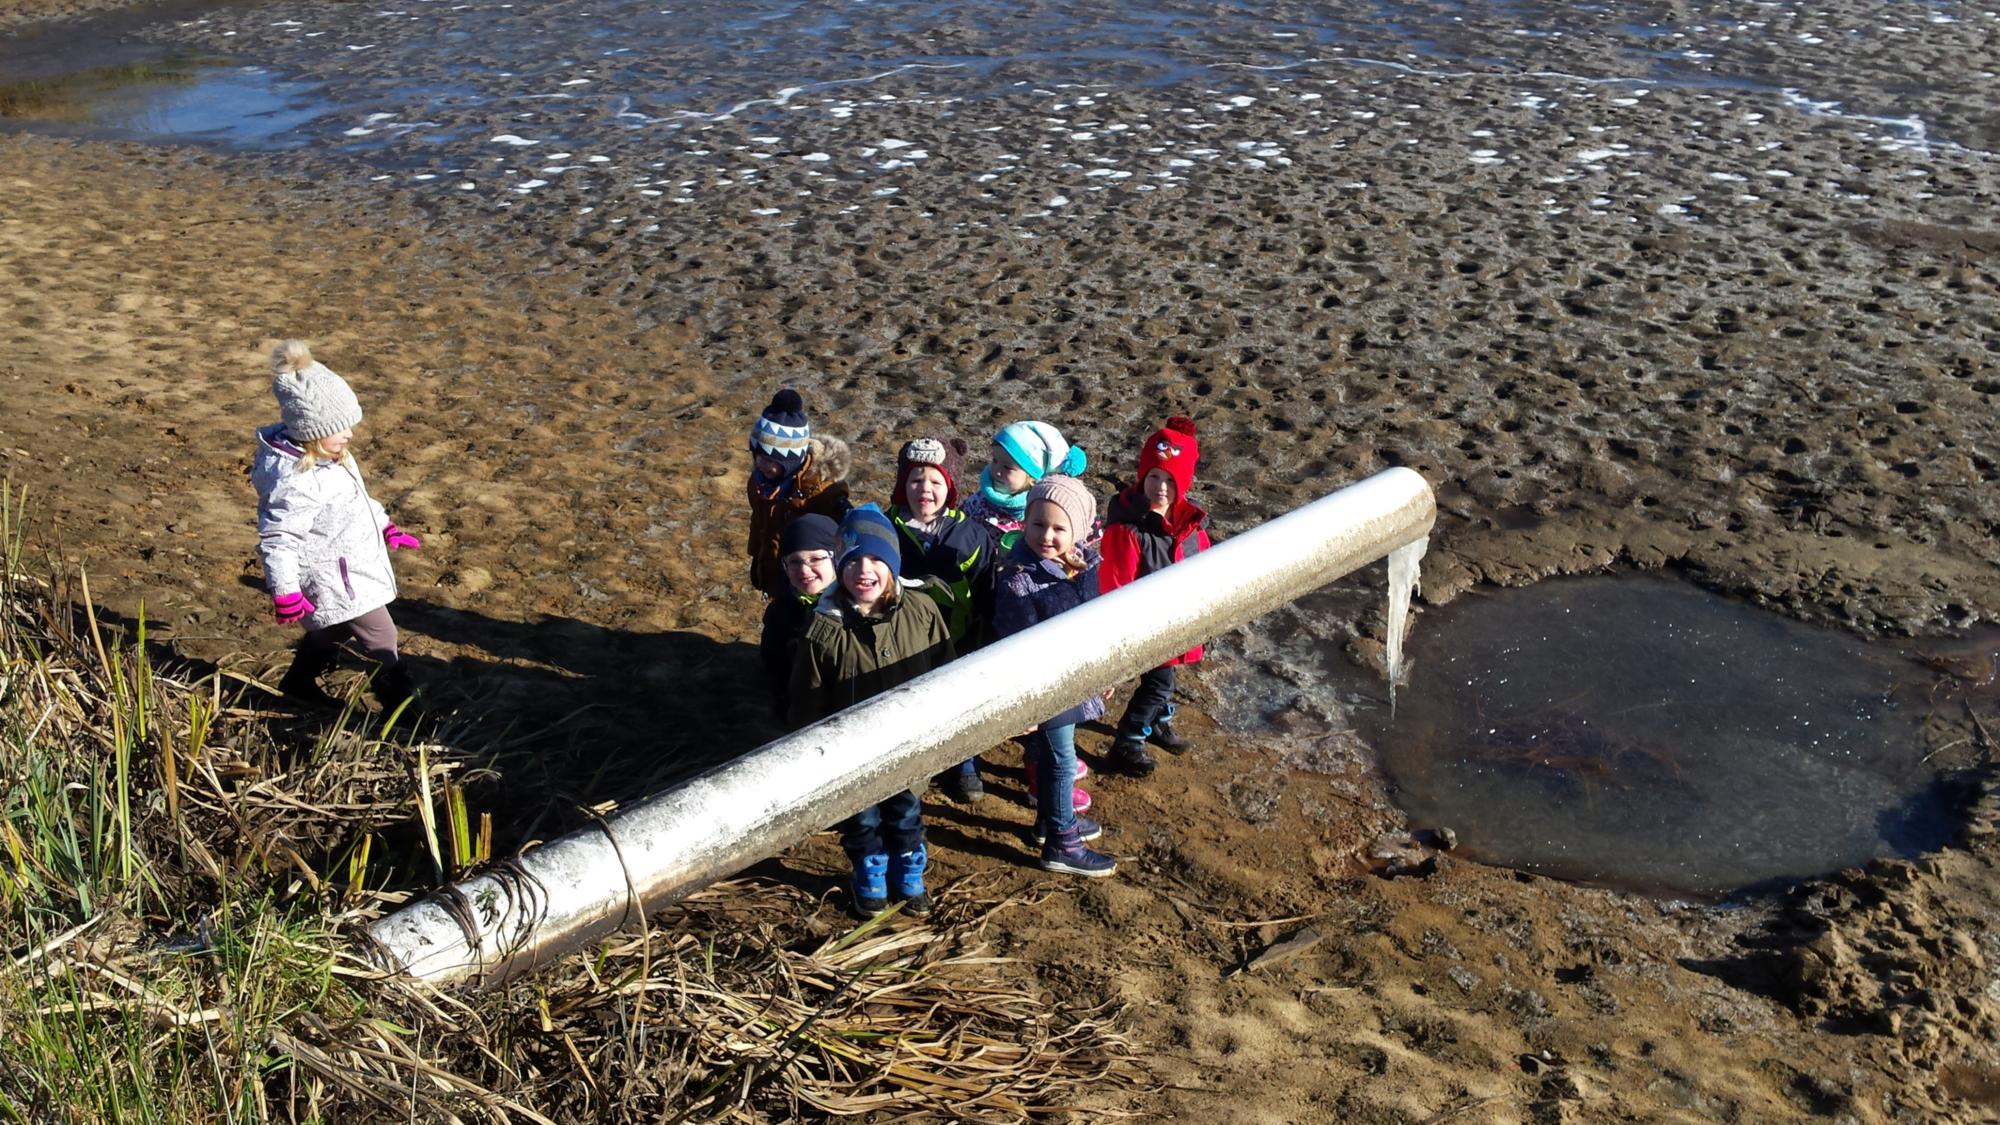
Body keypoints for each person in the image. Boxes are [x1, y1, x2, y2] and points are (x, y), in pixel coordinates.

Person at [788, 505, 956, 917]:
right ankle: (870, 873)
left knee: (907, 811)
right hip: (853, 753)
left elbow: (949, 671)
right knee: (861, 820)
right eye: (853, 561)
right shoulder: (823, 629)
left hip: (910, 745)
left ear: (893, 564)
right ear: (839, 567)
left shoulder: (923, 610)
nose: (864, 570)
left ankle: (909, 872)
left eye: (877, 559)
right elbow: (808, 697)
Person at [252, 340, 422, 712]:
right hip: (336, 577)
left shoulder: (334, 455)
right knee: (382, 636)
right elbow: (278, 539)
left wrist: (384, 526)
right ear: (310, 430)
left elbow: (356, 500)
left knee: (333, 628)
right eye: (339, 428)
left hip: (349, 565)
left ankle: (298, 682)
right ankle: (405, 713)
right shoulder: (298, 479)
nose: (349, 434)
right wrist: (285, 592)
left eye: (349, 425)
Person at [993, 475, 1116, 876]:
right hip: (1045, 688)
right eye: (1037, 525)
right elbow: (1012, 646)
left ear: (1077, 532)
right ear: (1024, 524)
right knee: (1061, 761)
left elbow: (1096, 624)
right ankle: (1063, 843)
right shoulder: (1019, 580)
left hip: (1074, 678)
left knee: (1054, 759)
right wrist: (1024, 702)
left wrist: (1102, 673)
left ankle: (1051, 821)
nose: (1046, 535)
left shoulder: (1083, 566)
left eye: (1059, 528)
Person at [885, 435, 999, 802]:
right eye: (915, 480)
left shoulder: (971, 535)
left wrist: (985, 634)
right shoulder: (885, 530)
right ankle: (912, 768)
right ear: (903, 484)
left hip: (958, 637)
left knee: (962, 702)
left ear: (949, 488)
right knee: (907, 704)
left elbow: (986, 588)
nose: (925, 490)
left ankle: (965, 759)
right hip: (903, 644)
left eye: (936, 481)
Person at [1099, 416, 1212, 777]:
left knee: (1166, 679)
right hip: (1146, 624)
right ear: (1142, 477)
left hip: (1178, 619)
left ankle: (1159, 721)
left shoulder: (1190, 523)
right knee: (1158, 681)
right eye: (1153, 477)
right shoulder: (1129, 529)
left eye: (1170, 480)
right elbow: (1115, 585)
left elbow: (1205, 564)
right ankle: (1128, 740)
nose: (1160, 487)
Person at [745, 388, 852, 598]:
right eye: (757, 456)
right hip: (775, 570)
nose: (760, 464)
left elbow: (840, 536)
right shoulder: (759, 483)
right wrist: (758, 561)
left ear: (790, 460)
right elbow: (759, 523)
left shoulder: (822, 491)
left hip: (809, 576)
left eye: (770, 460)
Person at [961, 420, 1094, 554]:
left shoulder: (1044, 511)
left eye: (1007, 467)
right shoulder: (980, 500)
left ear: (1032, 477)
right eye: (995, 461)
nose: (996, 471)